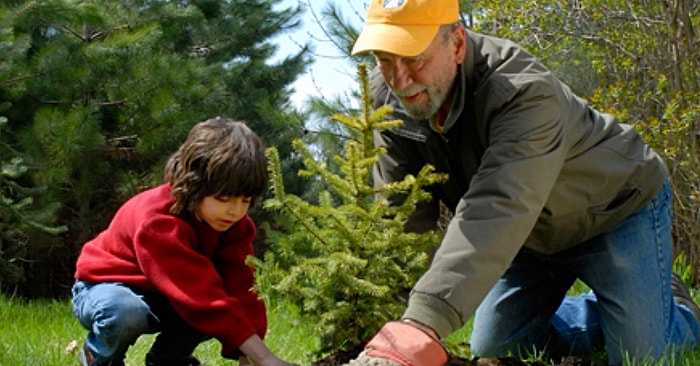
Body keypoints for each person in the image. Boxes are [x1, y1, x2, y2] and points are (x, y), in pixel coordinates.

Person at [346, 0, 700, 365]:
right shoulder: (389, 97)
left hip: (612, 213)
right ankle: (613, 311)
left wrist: (422, 322)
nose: (400, 80)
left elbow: (500, 204)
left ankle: (674, 308)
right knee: (495, 348)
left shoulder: (521, 91)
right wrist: (393, 318)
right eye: (385, 59)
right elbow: (400, 212)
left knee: (639, 354)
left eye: (414, 58)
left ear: (456, 43)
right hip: (528, 236)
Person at [72, 117, 295, 366]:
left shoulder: (235, 227)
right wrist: (265, 357)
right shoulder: (158, 221)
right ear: (194, 185)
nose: (235, 211)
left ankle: (169, 360)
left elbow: (242, 288)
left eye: (246, 200)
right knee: (125, 313)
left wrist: (249, 356)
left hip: (170, 294)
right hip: (106, 288)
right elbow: (200, 297)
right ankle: (99, 357)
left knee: (223, 311)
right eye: (223, 198)